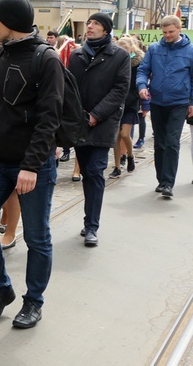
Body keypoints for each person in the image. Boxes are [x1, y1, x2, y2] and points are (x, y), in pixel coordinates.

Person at [0, 0, 63, 329]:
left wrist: (31, 166)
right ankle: (1, 289)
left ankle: (34, 301)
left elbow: (49, 119)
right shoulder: (4, 52)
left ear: (10, 22)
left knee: (37, 236)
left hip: (31, 164)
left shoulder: (46, 58)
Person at [68, 13, 130, 246]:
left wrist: (96, 114)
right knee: (86, 172)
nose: (90, 26)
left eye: (96, 24)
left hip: (103, 123)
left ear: (106, 31)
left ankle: (91, 225)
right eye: (89, 23)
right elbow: (69, 87)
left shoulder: (120, 56)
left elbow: (120, 90)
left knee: (95, 171)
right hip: (80, 123)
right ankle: (89, 219)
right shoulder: (77, 55)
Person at [136, 15, 193, 198]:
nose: (167, 35)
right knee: (160, 143)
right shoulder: (154, 49)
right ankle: (161, 180)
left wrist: (192, 102)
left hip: (179, 102)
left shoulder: (190, 51)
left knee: (172, 142)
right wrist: (142, 86)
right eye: (165, 32)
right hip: (158, 102)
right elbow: (143, 70)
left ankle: (168, 183)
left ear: (179, 30)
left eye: (171, 32)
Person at [109, 37, 144, 178]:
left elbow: (139, 82)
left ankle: (130, 155)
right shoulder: (115, 63)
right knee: (116, 136)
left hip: (130, 103)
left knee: (124, 134)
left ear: (131, 49)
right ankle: (117, 166)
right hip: (116, 103)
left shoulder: (137, 63)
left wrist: (136, 98)